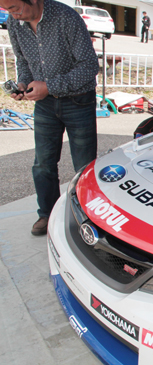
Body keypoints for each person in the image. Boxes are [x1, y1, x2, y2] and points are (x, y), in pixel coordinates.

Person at [2, 0, 99, 236]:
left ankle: (87, 218)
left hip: (78, 101)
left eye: (15, 8)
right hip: (44, 104)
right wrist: (24, 83)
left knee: (84, 166)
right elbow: (23, 61)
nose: (13, 16)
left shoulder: (66, 17)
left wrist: (50, 86)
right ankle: (47, 214)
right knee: (43, 163)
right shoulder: (15, 25)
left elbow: (89, 66)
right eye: (7, 11)